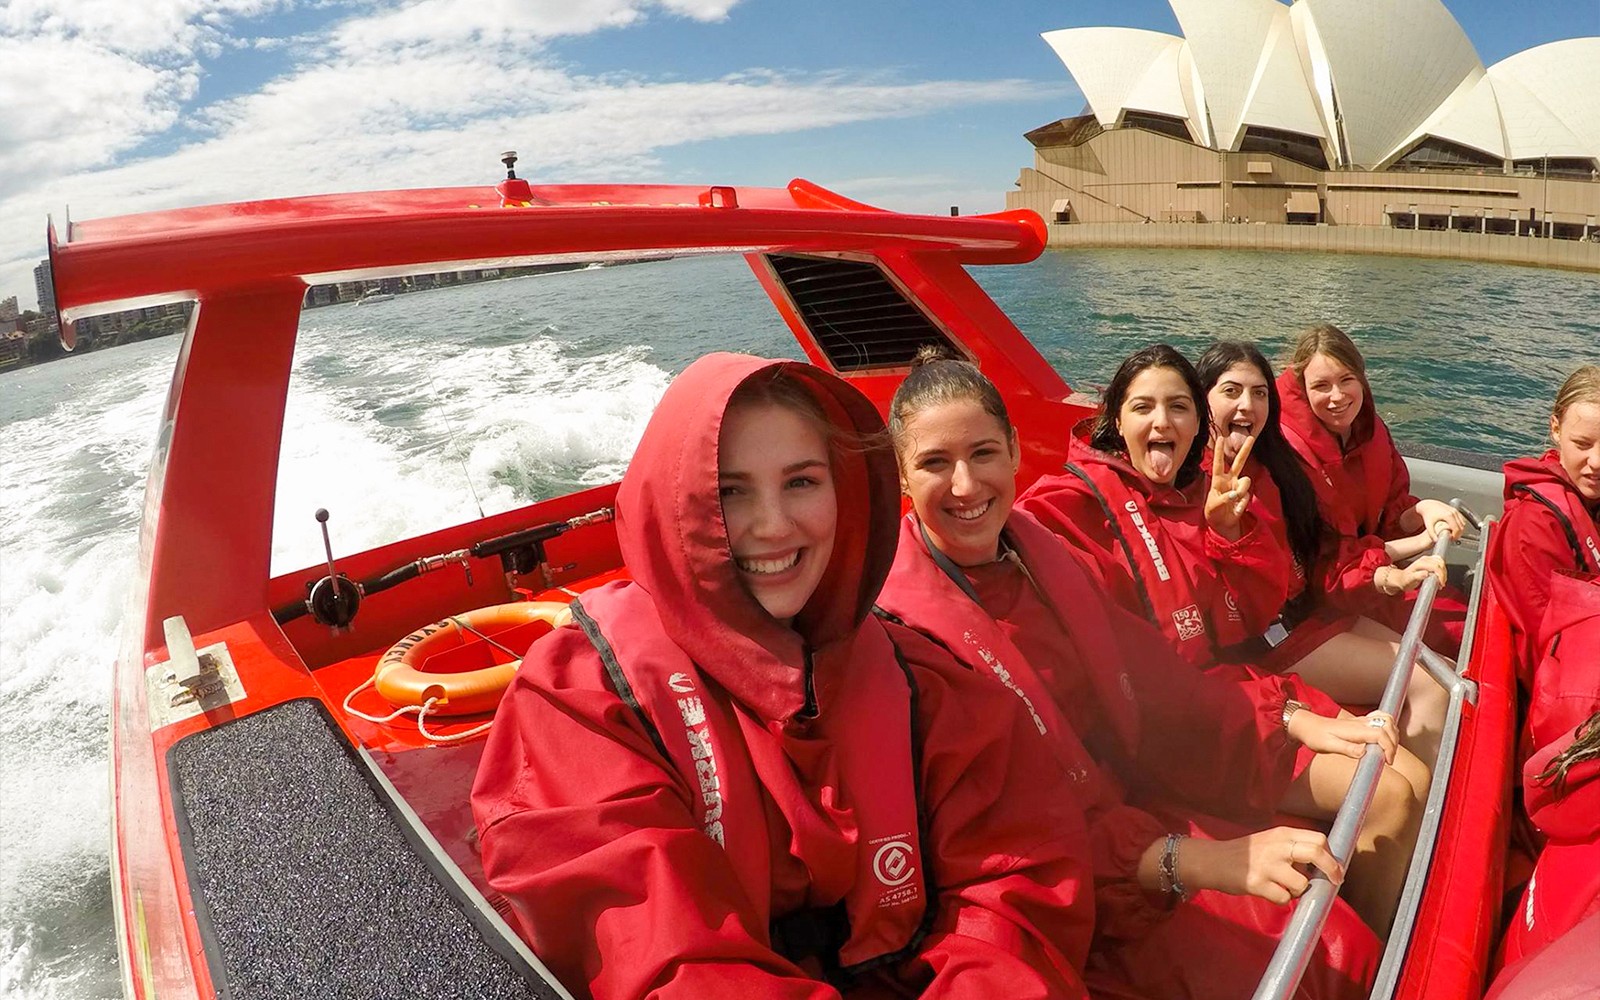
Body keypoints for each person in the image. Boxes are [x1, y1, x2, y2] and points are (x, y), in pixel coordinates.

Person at [472, 353, 1097, 1000]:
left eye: (801, 482)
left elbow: (1016, 888)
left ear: (847, 493)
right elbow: (665, 961)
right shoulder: (585, 699)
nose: (773, 527)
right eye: (729, 492)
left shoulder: (925, 683)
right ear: (676, 504)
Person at [879, 349, 1406, 973]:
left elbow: (1165, 674)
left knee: (1349, 932)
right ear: (901, 476)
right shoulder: (902, 638)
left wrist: (1288, 716)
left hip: (1137, 807)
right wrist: (1195, 859)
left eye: (983, 454)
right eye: (935, 463)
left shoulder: (1034, 555)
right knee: (1331, 961)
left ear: (1015, 451)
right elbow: (1002, 842)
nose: (965, 486)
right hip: (1067, 891)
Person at [1015, 344, 1428, 933]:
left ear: (1195, 423)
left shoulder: (1193, 497)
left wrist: (1228, 534)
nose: (1163, 422)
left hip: (1229, 697)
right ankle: (1371, 948)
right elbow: (1150, 668)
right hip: (1181, 729)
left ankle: (1385, 938)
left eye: (1177, 407)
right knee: (1385, 794)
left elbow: (1240, 620)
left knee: (1410, 773)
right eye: (1144, 407)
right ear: (1114, 416)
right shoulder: (1071, 507)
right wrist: (1287, 715)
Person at [1198, 341, 1447, 775]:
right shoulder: (1201, 479)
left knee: (1434, 669)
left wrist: (1391, 568)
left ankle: (1426, 797)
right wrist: (1224, 529)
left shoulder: (1275, 469)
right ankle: (1426, 809)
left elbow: (1321, 553)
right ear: (1203, 399)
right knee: (1426, 685)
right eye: (1231, 391)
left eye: (1259, 394)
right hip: (1273, 641)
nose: (1247, 404)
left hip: (1309, 615)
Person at [1273, 325, 1469, 655]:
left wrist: (1423, 510)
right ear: (1303, 390)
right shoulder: (1290, 459)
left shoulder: (1370, 431)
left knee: (1471, 618)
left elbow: (1392, 510)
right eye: (1321, 386)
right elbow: (1325, 567)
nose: (1337, 396)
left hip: (1371, 579)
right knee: (1454, 639)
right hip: (1320, 606)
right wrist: (1397, 575)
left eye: (1347, 379)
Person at [1489, 364, 1600, 693]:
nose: (1597, 462)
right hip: (1563, 685)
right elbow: (1549, 641)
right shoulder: (1536, 524)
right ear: (1555, 429)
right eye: (1582, 444)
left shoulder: (1589, 501)